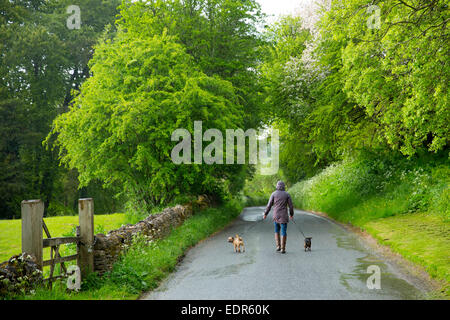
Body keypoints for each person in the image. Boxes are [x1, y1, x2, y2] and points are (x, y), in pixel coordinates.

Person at [263, 181, 294, 254]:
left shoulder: (273, 194)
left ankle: (278, 246)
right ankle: (283, 248)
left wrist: (265, 213)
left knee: (277, 230)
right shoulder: (287, 194)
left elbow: (269, 205)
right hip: (284, 216)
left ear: (277, 186)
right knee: (283, 231)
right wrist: (291, 214)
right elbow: (291, 206)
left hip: (276, 215)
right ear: (284, 186)